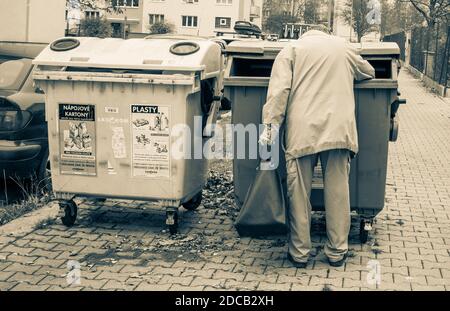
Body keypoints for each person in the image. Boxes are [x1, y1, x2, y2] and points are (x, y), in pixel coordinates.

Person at [260, 25, 375, 268]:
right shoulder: (343, 47)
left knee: (299, 193)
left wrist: (270, 127)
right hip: (338, 129)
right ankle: (336, 252)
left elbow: (279, 92)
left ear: (306, 34)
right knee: (337, 191)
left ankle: (300, 253)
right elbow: (369, 72)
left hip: (303, 130)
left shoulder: (291, 49)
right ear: (326, 33)